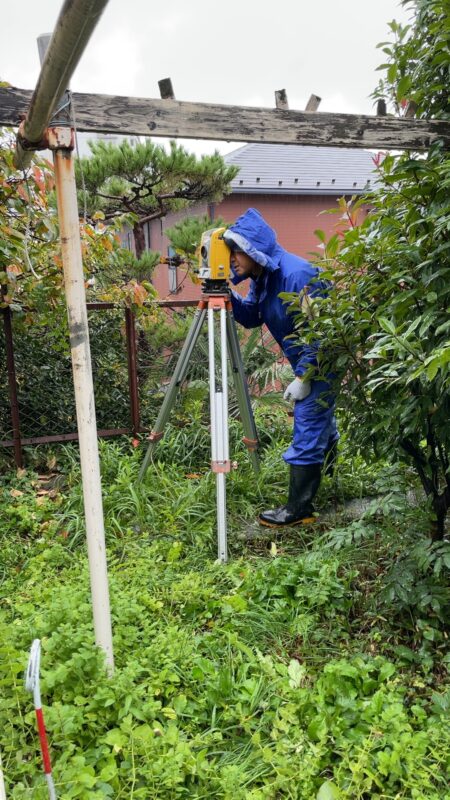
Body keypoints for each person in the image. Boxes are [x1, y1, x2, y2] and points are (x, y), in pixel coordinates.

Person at [223, 207, 338, 528]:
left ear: (253, 248)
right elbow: (251, 317)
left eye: (236, 251)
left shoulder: (297, 275)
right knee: (319, 423)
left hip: (322, 361)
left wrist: (304, 376)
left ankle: (299, 509)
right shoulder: (263, 277)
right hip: (305, 360)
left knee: (308, 422)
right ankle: (330, 479)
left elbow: (323, 332)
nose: (232, 259)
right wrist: (224, 291)